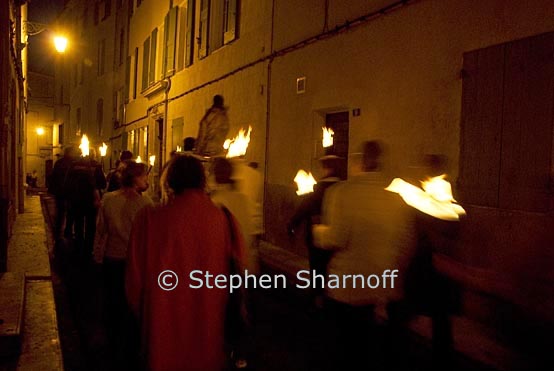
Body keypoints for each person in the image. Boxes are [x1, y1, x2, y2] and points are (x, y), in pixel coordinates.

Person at [126, 155, 246, 371]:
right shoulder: (224, 219)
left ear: (169, 181)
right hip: (209, 333)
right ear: (202, 180)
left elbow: (134, 285)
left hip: (161, 335)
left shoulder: (148, 219)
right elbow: (238, 275)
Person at [312, 141, 415, 369]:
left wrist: (318, 230)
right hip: (382, 291)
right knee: (374, 355)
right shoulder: (397, 200)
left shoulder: (341, 192)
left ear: (359, 162)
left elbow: (335, 239)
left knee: (345, 352)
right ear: (381, 163)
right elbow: (406, 245)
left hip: (348, 289)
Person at [93, 160, 152, 369]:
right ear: (135, 179)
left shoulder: (108, 199)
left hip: (112, 258)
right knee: (133, 304)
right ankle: (131, 347)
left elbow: (101, 230)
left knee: (113, 301)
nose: (147, 179)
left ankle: (113, 342)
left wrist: (97, 256)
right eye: (144, 176)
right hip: (135, 261)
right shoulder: (146, 205)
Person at [287, 155, 343, 308]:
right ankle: (333, 297)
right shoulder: (344, 191)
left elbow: (302, 211)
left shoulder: (316, 192)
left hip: (316, 240)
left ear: (326, 169)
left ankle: (317, 299)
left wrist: (292, 226)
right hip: (338, 239)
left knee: (317, 271)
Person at [65, 148, 107, 261]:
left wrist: (69, 197)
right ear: (93, 154)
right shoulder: (96, 166)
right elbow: (102, 184)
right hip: (90, 200)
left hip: (76, 199)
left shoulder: (73, 165)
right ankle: (88, 250)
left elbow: (67, 182)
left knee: (78, 224)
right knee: (91, 225)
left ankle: (78, 247)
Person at [48, 146, 80, 241]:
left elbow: (53, 177)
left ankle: (58, 232)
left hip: (60, 192)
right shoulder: (73, 163)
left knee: (61, 212)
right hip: (70, 192)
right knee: (70, 212)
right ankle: (67, 231)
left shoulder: (59, 163)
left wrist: (52, 190)